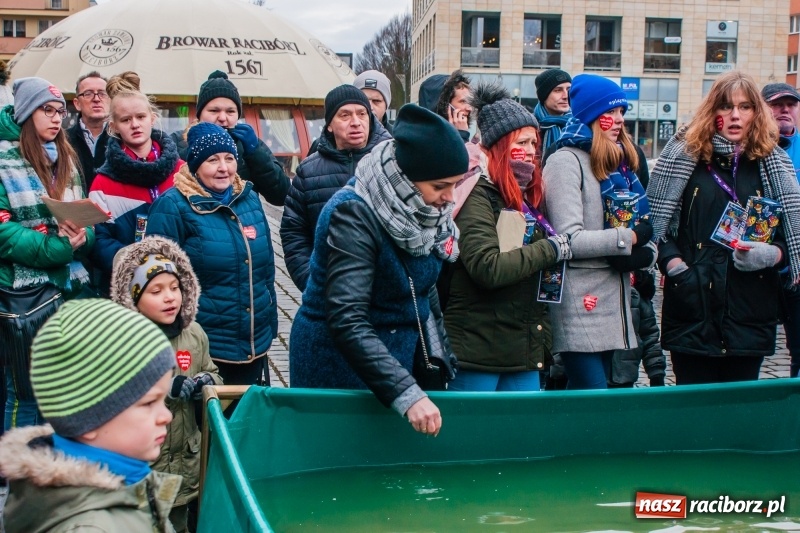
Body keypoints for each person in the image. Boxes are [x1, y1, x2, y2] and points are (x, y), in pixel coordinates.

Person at [289, 104, 467, 436]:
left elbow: (423, 286)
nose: (449, 198)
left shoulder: (424, 211)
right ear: (407, 180)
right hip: (337, 369)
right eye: (441, 186)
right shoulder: (352, 214)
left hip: (391, 363)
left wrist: (441, 357)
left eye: (455, 184)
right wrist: (406, 393)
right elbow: (347, 317)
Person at [648, 71, 800, 385]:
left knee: (738, 413)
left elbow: (790, 234)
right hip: (692, 303)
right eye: (725, 107)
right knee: (694, 413)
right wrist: (675, 266)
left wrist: (772, 254)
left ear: (756, 114)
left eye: (744, 107)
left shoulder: (773, 164)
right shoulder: (683, 158)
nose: (734, 115)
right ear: (711, 112)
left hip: (750, 305)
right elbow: (656, 226)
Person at [0, 299, 179, 532]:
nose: (166, 416)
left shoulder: (128, 479)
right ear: (87, 419)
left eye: (163, 400)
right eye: (148, 403)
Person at [441, 83, 571, 391]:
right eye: (521, 142)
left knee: (519, 437)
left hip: (520, 348)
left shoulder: (524, 195)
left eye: (533, 143)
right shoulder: (477, 194)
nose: (530, 151)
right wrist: (551, 249)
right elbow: (489, 268)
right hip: (479, 350)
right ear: (499, 146)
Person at [542, 74, 657, 390]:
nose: (619, 119)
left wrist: (646, 251)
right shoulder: (565, 160)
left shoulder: (618, 163)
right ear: (591, 115)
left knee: (586, 396)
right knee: (591, 390)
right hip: (580, 298)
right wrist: (629, 239)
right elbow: (568, 238)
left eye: (622, 111)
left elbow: (644, 225)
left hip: (612, 298)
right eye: (611, 111)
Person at [147, 123, 277, 387]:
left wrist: (270, 322)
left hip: (255, 341)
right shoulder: (172, 207)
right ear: (195, 165)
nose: (223, 168)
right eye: (212, 160)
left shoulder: (249, 200)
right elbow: (155, 280)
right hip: (207, 348)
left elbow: (267, 270)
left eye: (229, 158)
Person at [0, 77, 95, 429]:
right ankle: (17, 476)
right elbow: (3, 232)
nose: (57, 119)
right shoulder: (3, 159)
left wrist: (85, 235)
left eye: (60, 111)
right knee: (24, 394)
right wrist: (56, 248)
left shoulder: (65, 157)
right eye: (47, 110)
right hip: (23, 296)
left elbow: (83, 215)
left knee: (61, 391)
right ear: (26, 112)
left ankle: (51, 472)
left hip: (69, 291)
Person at [111, 236, 221, 533]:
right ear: (132, 297)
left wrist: (207, 384)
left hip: (185, 461)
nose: (170, 297)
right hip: (144, 463)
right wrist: (165, 389)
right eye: (156, 291)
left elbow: (213, 371)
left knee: (178, 524)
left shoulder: (193, 333)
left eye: (175, 288)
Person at [280, 85, 392, 291]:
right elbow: (294, 231)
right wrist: (311, 282)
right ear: (330, 124)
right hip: (328, 291)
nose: (356, 122)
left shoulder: (393, 162)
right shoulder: (309, 170)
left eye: (362, 114)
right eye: (345, 115)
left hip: (386, 292)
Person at [88, 72, 183, 296]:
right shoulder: (103, 183)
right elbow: (99, 240)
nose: (135, 125)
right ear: (113, 126)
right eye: (125, 119)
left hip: (179, 285)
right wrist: (136, 263)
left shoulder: (183, 171)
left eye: (140, 117)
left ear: (152, 117)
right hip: (130, 290)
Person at [171, 70, 290, 207]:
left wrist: (256, 153)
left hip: (241, 222)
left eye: (230, 111)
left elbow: (281, 196)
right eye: (214, 111)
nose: (222, 118)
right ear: (200, 114)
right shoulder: (178, 142)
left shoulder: (250, 144)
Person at [762, 82, 800, 377]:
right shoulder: (749, 150)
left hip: (794, 267)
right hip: (756, 263)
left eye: (791, 104)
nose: (785, 110)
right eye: (777, 105)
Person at [608, 269, 667, 387]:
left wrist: (656, 374)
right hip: (587, 377)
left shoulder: (636, 295)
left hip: (623, 377)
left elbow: (650, 337)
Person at [67, 71, 110, 193]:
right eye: (88, 94)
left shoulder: (122, 139)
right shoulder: (63, 140)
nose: (96, 99)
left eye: (102, 93)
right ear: (77, 103)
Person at [534, 69, 572, 153]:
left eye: (569, 89)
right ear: (543, 96)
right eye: (558, 90)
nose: (566, 96)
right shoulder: (530, 127)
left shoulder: (578, 126)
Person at [353, 69, 393, 134]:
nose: (370, 107)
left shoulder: (398, 141)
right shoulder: (339, 137)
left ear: (386, 105)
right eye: (364, 100)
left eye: (376, 101)